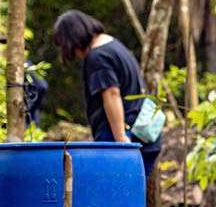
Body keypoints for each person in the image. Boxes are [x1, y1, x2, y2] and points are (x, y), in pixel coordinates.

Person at [52, 10, 161, 177]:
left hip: (126, 136)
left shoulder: (98, 56)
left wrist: (121, 140)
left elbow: (111, 93)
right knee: (133, 195)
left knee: (117, 195)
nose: (76, 55)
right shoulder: (114, 45)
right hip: (145, 134)